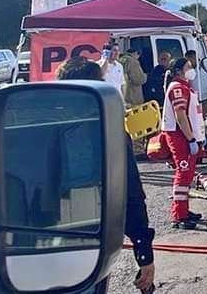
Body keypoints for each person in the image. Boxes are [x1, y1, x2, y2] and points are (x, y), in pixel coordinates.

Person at [56, 56, 155, 292]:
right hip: (89, 241)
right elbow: (130, 192)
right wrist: (144, 252)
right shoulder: (107, 132)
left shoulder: (38, 127)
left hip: (33, 247)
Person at [160, 58, 206, 229]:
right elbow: (180, 116)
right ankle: (179, 215)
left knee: (187, 174)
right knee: (183, 172)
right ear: (179, 71)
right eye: (188, 67)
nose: (192, 69)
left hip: (186, 135)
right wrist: (191, 139)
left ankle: (184, 210)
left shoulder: (184, 86)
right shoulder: (178, 88)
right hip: (181, 136)